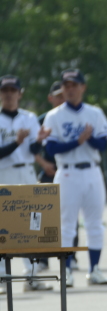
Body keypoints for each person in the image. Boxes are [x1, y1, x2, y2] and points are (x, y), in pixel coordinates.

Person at [44, 69, 107, 287]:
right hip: (67, 172)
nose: (70, 89)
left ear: (83, 87)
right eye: (66, 85)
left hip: (92, 170)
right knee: (66, 225)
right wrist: (78, 141)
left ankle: (94, 269)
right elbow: (50, 148)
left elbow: (104, 144)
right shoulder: (54, 115)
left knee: (95, 223)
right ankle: (66, 270)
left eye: (74, 85)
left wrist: (88, 138)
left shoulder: (94, 112)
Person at [0, 75, 52, 292]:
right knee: (3, 225)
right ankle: (1, 276)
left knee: (32, 223)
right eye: (5, 90)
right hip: (4, 173)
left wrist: (38, 140)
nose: (9, 94)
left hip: (27, 172)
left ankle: (31, 275)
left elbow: (32, 150)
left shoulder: (29, 117)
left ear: (20, 94)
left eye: (13, 90)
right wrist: (16, 142)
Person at [35, 80, 69, 273]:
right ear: (51, 98)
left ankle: (71, 255)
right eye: (58, 96)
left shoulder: (72, 117)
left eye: (63, 95)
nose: (61, 99)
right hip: (48, 170)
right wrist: (43, 164)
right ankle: (42, 259)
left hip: (68, 169)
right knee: (42, 215)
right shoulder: (42, 119)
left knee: (69, 213)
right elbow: (31, 147)